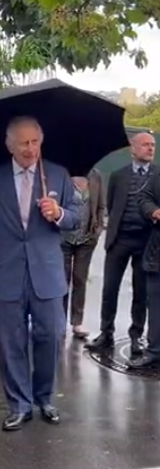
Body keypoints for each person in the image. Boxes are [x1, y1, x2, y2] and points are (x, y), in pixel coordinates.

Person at [0, 116, 78, 432]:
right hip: (6, 273)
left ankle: (44, 398)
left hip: (47, 273)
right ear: (10, 145)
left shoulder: (58, 175)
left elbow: (78, 216)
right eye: (24, 143)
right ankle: (19, 405)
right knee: (11, 342)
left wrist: (58, 213)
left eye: (35, 141)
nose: (30, 149)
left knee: (50, 335)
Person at [86, 132, 156, 357]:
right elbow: (112, 205)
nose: (150, 148)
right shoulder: (118, 175)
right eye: (145, 144)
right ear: (132, 149)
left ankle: (136, 336)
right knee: (110, 289)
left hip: (145, 242)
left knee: (141, 292)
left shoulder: (158, 175)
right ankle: (106, 332)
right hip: (119, 240)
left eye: (152, 145)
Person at [61, 168, 105, 339]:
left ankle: (77, 322)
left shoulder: (95, 176)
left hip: (86, 238)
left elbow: (101, 206)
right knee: (62, 280)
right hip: (63, 238)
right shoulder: (62, 175)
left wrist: (98, 229)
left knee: (80, 278)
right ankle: (60, 321)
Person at [128, 171, 160, 369]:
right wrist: (154, 211)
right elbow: (144, 198)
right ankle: (154, 350)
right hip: (158, 255)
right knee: (156, 305)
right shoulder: (158, 177)